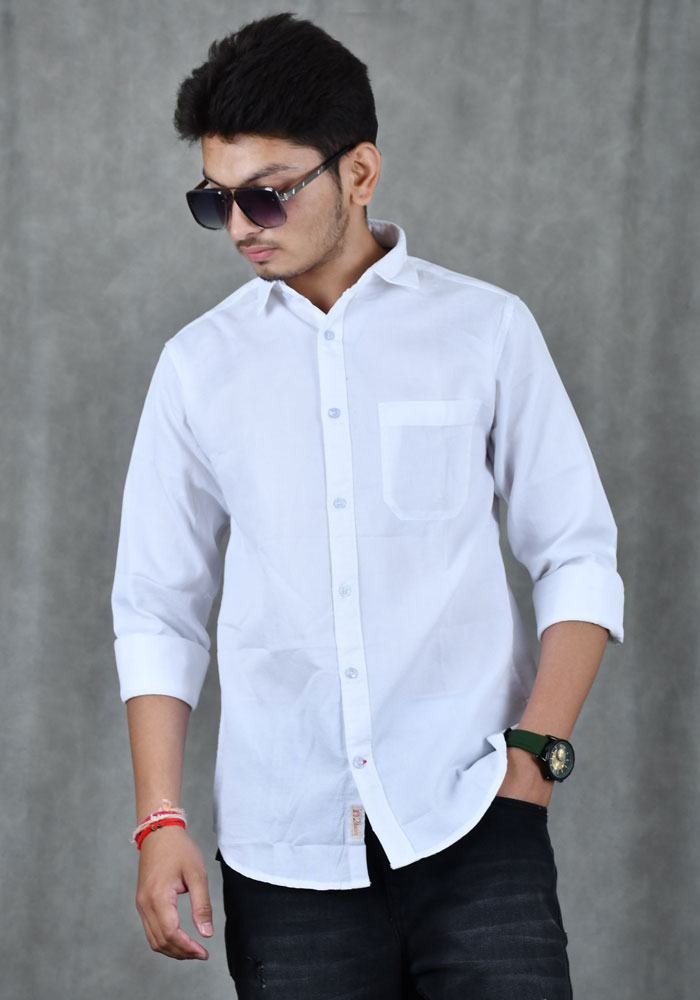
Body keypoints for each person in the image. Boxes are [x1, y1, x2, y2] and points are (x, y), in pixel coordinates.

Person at [111, 12, 624, 999]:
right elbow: (157, 608)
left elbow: (576, 554)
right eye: (215, 200)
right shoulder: (197, 368)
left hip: (475, 821)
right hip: (285, 848)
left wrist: (534, 759)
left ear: (359, 172)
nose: (243, 226)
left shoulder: (484, 331)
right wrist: (159, 817)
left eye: (266, 193)